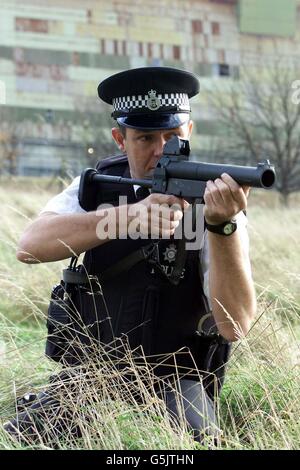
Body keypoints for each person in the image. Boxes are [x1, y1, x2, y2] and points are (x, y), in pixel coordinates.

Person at [4, 67, 256, 445]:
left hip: (178, 381)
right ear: (119, 138)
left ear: (191, 132)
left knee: (193, 444)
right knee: (20, 439)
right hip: (93, 375)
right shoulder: (99, 185)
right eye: (145, 138)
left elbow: (234, 325)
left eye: (173, 136)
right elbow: (29, 246)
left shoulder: (215, 197)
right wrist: (126, 217)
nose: (160, 150)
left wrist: (222, 227)